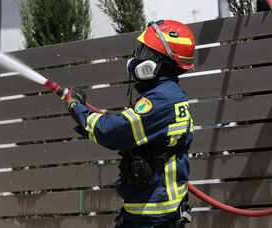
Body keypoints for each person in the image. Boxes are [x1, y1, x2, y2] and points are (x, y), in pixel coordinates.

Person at [65, 20, 196, 227]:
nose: (137, 58)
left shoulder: (160, 100)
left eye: (145, 52)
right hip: (153, 211)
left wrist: (75, 108)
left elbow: (111, 131)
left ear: (159, 62)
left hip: (151, 216)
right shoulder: (169, 95)